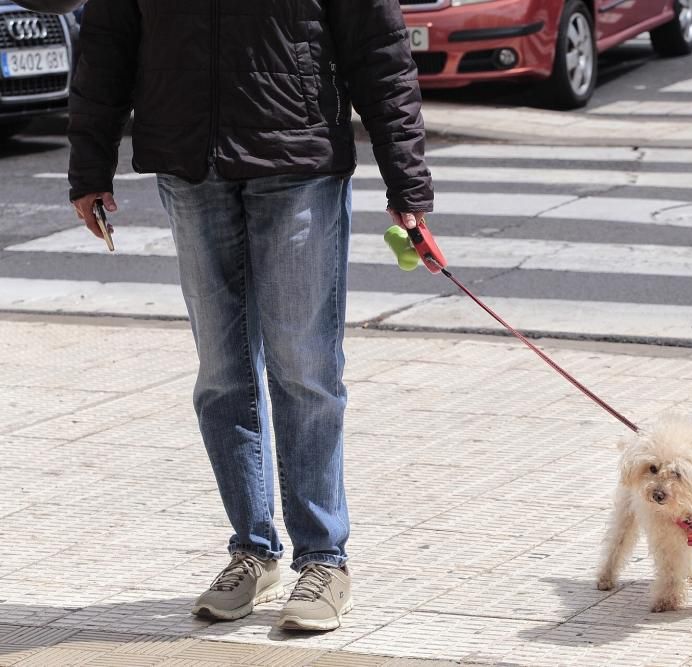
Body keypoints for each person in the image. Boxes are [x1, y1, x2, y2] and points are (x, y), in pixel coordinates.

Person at [68, 0, 433, 632]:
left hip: (298, 162)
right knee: (221, 375)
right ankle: (253, 550)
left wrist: (407, 182)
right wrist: (88, 166)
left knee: (304, 369)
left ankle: (323, 559)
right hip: (189, 165)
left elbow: (378, 45)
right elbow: (106, 40)